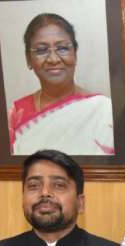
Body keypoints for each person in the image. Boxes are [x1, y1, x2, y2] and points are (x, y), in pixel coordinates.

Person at [9, 13, 114, 156]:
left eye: (62, 48)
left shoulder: (104, 110)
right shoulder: (16, 115)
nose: (53, 59)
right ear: (28, 59)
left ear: (75, 54)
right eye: (41, 50)